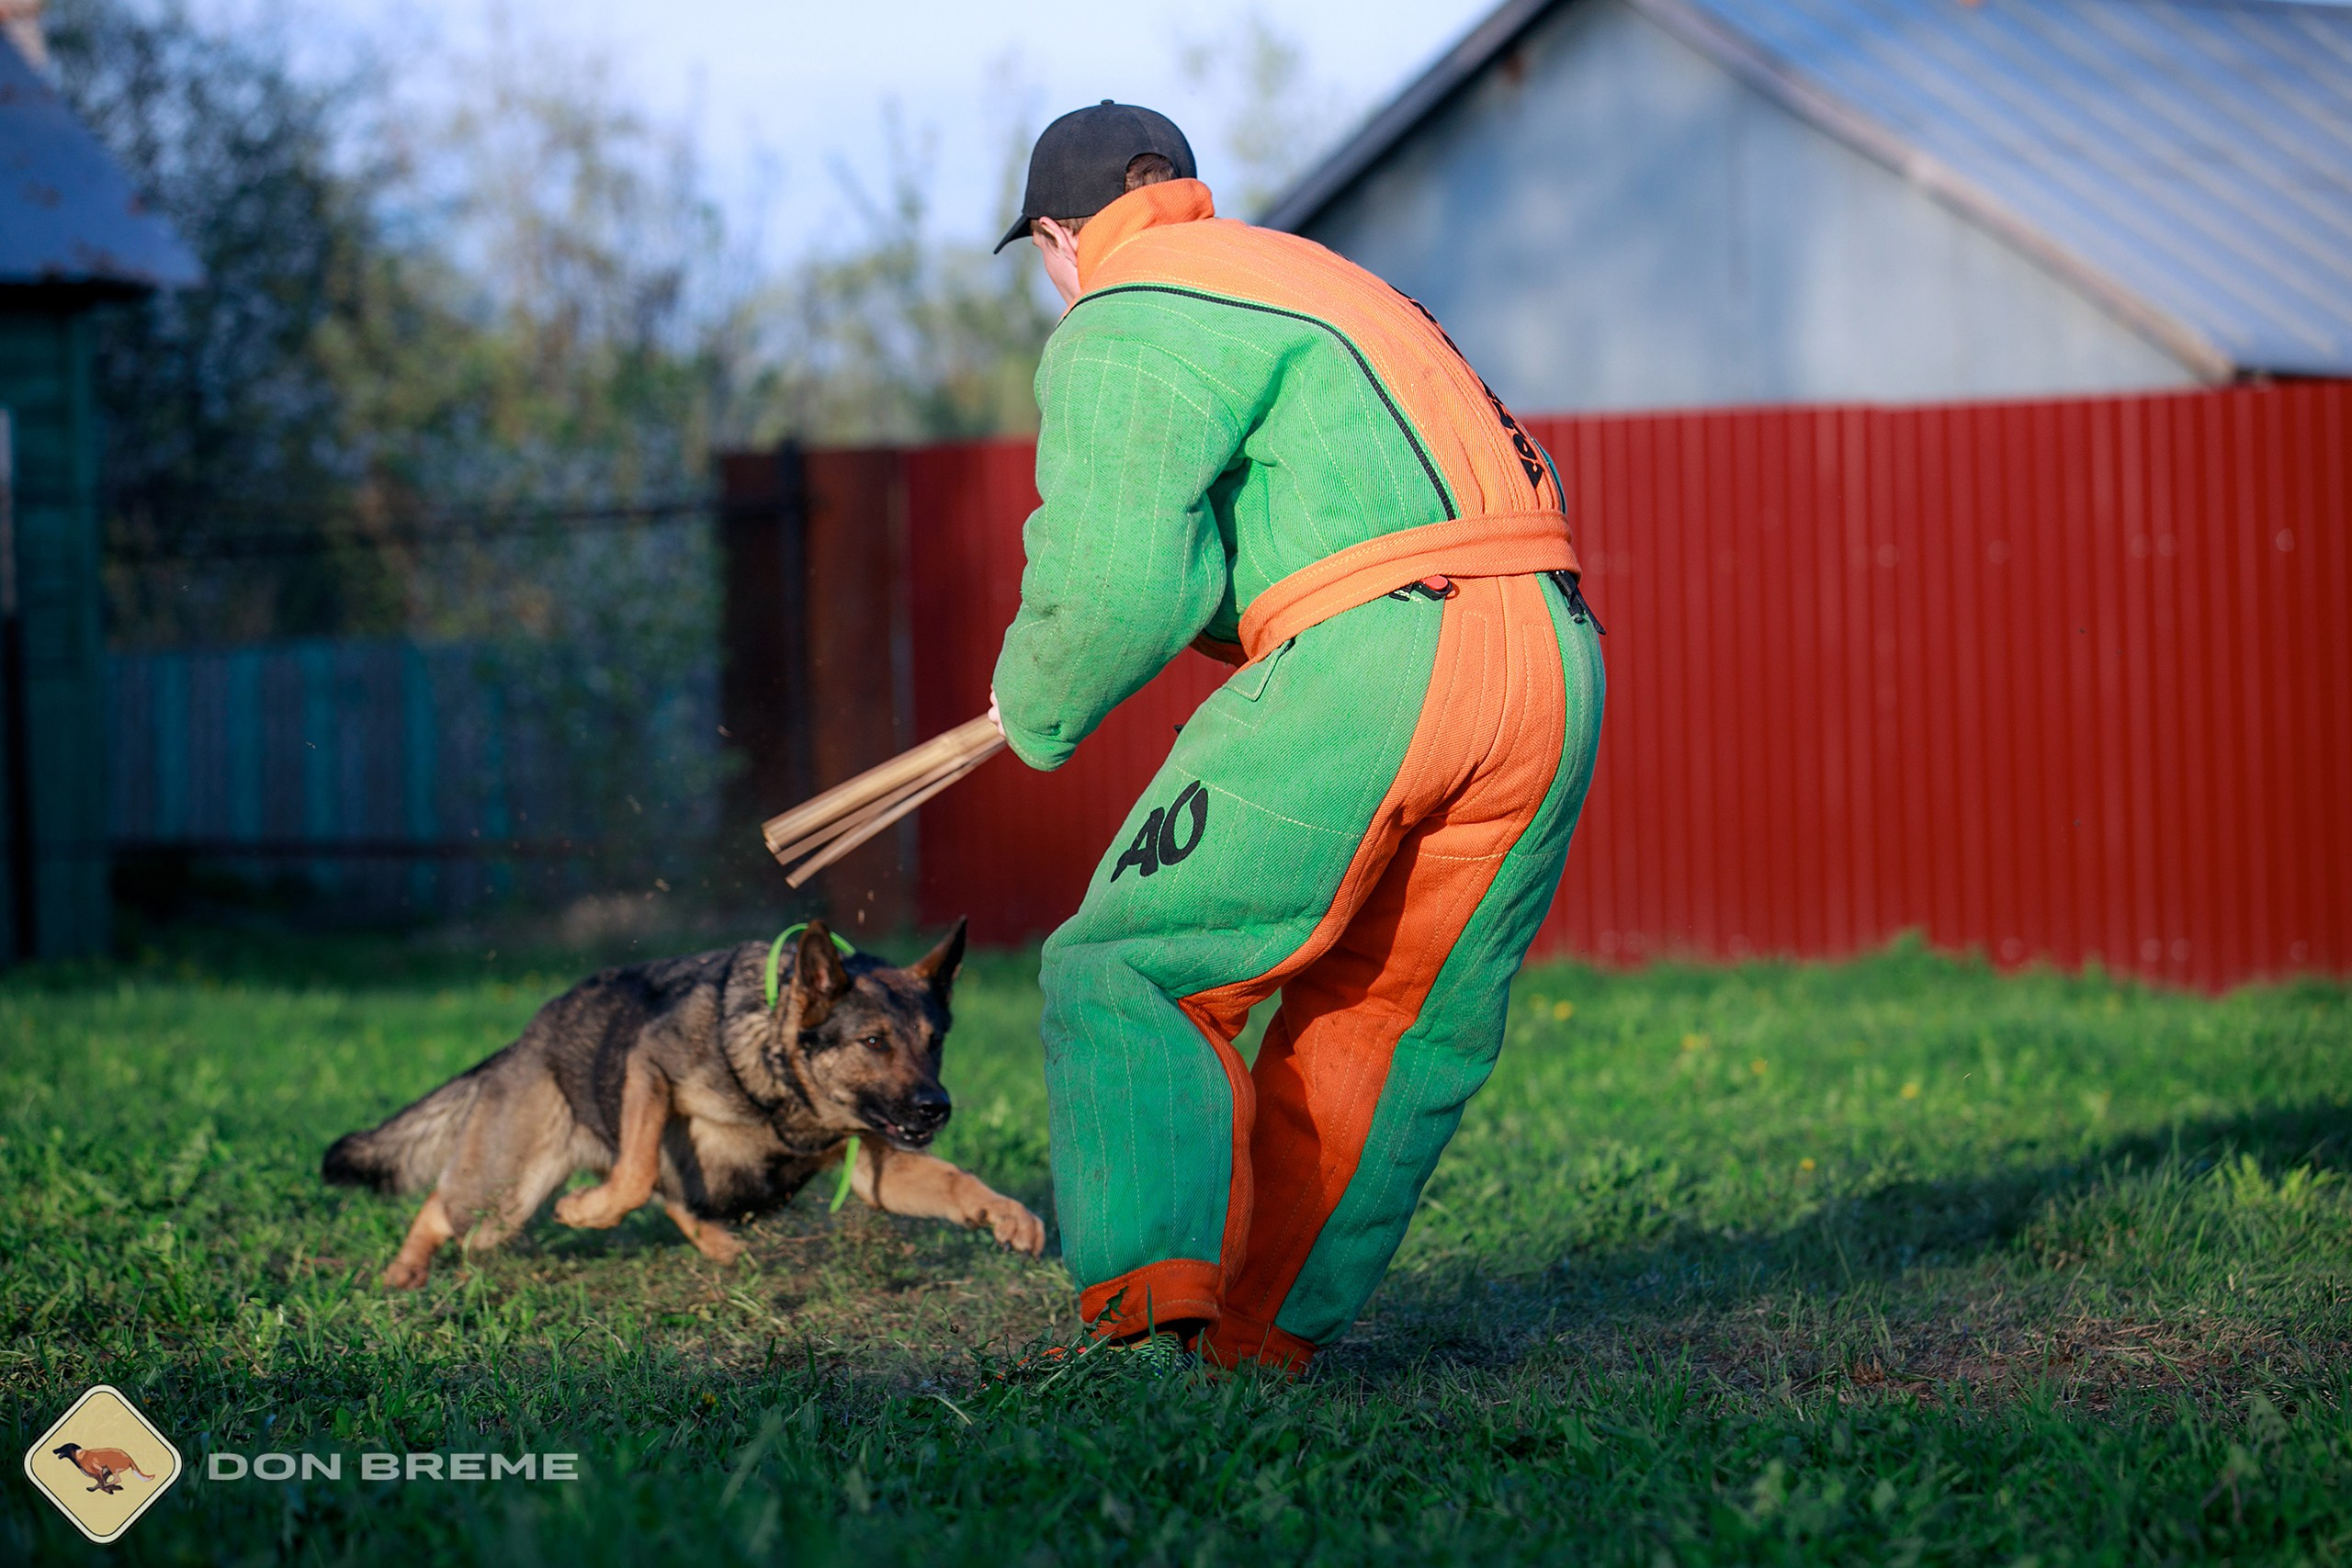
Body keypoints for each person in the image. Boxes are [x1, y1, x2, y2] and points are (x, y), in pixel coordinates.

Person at [988, 101, 1605, 1374]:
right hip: (1553, 652)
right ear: (1185, 190)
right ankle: (1258, 1348)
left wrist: (1034, 705)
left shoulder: (1126, 307)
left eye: (1049, 259)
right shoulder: (1316, 276)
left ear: (1061, 234)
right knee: (1393, 1017)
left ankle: (1153, 1321)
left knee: (1129, 968)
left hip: (1379, 658)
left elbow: (1119, 586)